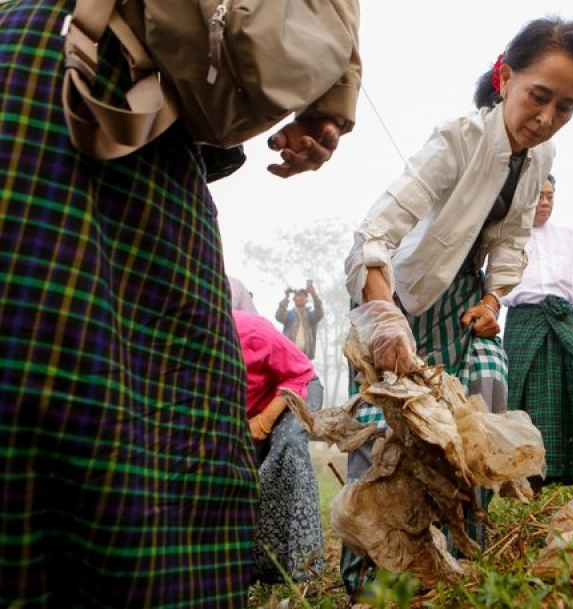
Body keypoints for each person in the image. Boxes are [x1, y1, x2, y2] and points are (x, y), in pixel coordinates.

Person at [0, 0, 360, 606]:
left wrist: (329, 106)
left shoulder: (261, 335)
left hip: (158, 130)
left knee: (183, 421)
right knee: (44, 378)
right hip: (60, 80)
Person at [341, 16, 573, 600]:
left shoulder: (539, 157)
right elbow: (376, 232)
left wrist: (492, 299)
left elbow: (511, 240)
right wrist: (386, 318)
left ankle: (459, 548)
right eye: (539, 97)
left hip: (464, 298)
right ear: (506, 77)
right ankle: (372, 575)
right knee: (390, 425)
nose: (545, 119)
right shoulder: (457, 139)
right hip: (402, 293)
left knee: (484, 395)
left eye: (565, 107)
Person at [501, 174, 573, 489]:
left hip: (565, 318)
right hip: (524, 320)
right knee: (535, 395)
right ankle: (534, 480)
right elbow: (493, 289)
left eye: (551, 196)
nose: (546, 202)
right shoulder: (507, 237)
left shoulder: (570, 237)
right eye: (539, 196)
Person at [231, 310, 324, 583]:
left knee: (288, 445)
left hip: (295, 387)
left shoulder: (252, 330)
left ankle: (303, 566)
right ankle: (254, 567)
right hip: (252, 407)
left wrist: (264, 420)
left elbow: (301, 373)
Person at [276, 281, 325, 360]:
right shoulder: (289, 315)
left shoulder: (310, 316)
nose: (302, 297)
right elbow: (279, 316)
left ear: (307, 300)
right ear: (294, 299)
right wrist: (286, 297)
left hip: (305, 356)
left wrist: (314, 294)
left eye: (304, 296)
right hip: (289, 355)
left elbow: (320, 313)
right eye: (299, 295)